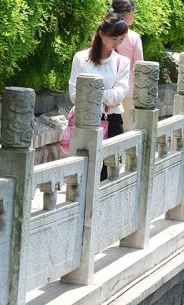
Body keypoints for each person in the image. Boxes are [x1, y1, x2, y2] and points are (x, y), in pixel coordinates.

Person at [68, 12, 130, 179]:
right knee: (83, 174)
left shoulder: (122, 62)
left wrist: (91, 92)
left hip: (111, 121)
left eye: (121, 39)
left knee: (108, 174)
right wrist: (103, 94)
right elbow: (74, 93)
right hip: (84, 121)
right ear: (102, 34)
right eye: (113, 38)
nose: (117, 43)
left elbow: (118, 95)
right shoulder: (81, 58)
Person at [111, 0, 143, 130]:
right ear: (125, 13)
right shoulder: (133, 37)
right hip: (128, 89)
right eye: (133, 11)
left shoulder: (103, 33)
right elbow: (139, 66)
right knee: (127, 128)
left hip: (107, 88)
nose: (134, 15)